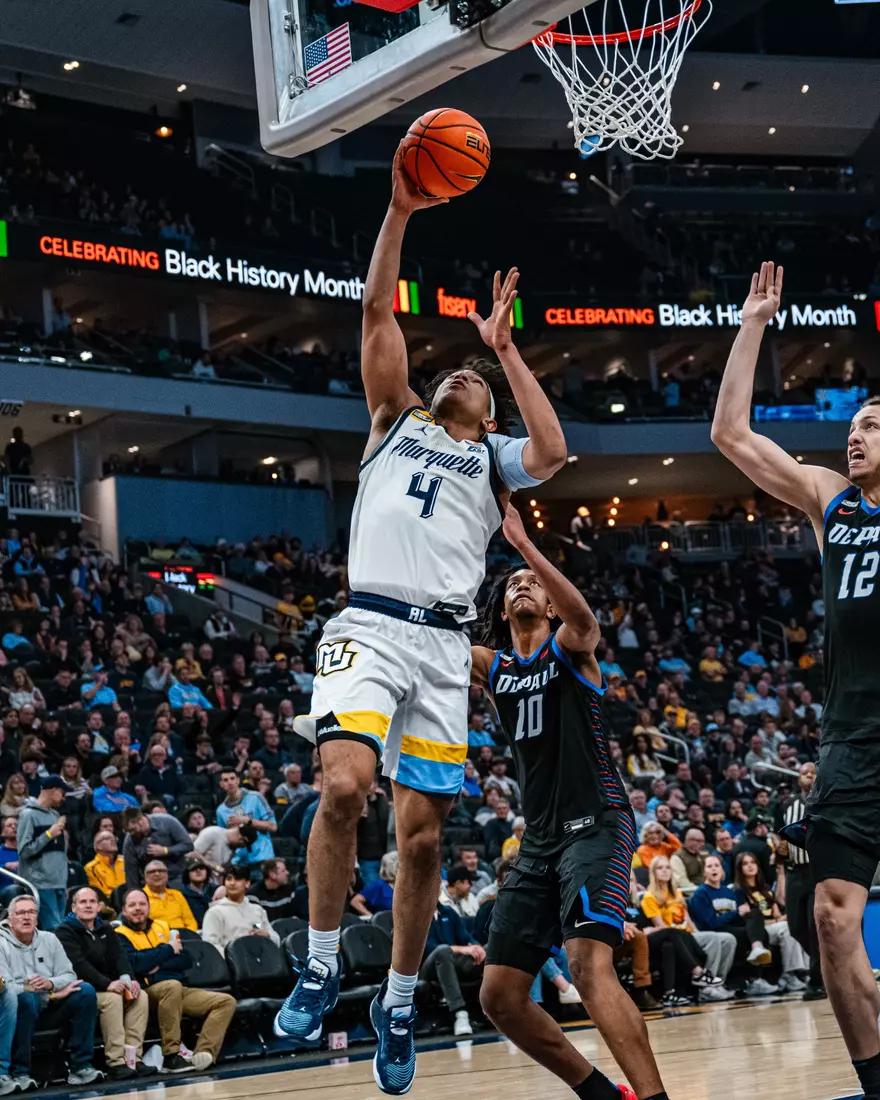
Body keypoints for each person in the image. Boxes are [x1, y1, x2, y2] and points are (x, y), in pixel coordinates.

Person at [276, 147, 566, 1097]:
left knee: (425, 841)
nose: (457, 377)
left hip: (444, 643)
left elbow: (556, 451)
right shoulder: (392, 420)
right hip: (367, 623)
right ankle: (321, 963)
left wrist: (509, 351)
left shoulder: (495, 464)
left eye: (473, 379)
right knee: (343, 788)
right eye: (453, 371)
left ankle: (398, 1000)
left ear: (487, 410)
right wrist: (400, 211)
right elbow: (374, 314)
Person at [713, 260, 880, 1097]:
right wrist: (752, 326)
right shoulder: (835, 503)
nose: (857, 434)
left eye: (876, 426)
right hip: (851, 740)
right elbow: (732, 438)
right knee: (829, 915)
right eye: (854, 424)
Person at [470, 505, 668, 1100]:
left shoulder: (569, 646)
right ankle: (601, 1095)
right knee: (499, 995)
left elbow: (584, 619)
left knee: (587, 964)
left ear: (550, 603)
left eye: (533, 583)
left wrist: (527, 549)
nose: (524, 584)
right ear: (502, 610)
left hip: (598, 825)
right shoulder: (493, 666)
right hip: (540, 839)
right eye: (513, 585)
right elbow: (426, 648)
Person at [116, 889, 236, 1073]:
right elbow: (135, 965)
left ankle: (204, 1053)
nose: (138, 908)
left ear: (149, 907)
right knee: (170, 986)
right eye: (132, 905)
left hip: (179, 988)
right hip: (145, 992)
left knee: (225, 1001)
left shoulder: (162, 927)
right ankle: (171, 1056)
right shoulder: (119, 934)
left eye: (142, 904)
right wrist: (167, 950)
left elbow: (185, 959)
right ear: (124, 910)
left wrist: (154, 963)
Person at [0, 894, 103, 1087]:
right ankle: (20, 1072)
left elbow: (69, 976)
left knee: (85, 991)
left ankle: (81, 1067)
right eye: (21, 913)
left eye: (31, 912)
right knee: (26, 999)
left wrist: (49, 983)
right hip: (20, 1010)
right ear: (10, 919)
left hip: (49, 1007)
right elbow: (6, 990)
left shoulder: (50, 939)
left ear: (37, 917)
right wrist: (50, 994)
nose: (26, 917)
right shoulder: (1, 943)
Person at [54, 886, 150, 1081]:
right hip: (82, 990)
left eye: (92, 902)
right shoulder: (64, 931)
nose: (88, 905)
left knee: (141, 996)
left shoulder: (105, 927)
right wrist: (107, 984)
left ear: (99, 907)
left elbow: (120, 957)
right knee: (112, 1000)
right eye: (83, 902)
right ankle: (115, 1062)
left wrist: (129, 979)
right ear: (73, 907)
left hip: (109, 986)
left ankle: (133, 1058)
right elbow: (78, 965)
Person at [640, 857, 735, 1003]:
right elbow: (662, 927)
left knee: (728, 939)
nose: (665, 870)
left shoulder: (676, 893)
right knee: (714, 938)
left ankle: (719, 982)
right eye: (660, 868)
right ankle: (706, 986)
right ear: (653, 872)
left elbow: (687, 919)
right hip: (677, 936)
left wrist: (696, 931)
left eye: (667, 867)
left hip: (689, 933)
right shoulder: (649, 897)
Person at [778, 761, 825, 1000]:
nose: (807, 776)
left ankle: (817, 979)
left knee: (814, 927)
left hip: (817, 871)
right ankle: (824, 966)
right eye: (803, 774)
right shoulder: (787, 804)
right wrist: (780, 874)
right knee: (795, 927)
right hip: (795, 872)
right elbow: (781, 839)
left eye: (811, 773)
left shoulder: (825, 801)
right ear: (798, 780)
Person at [734, 851, 810, 994]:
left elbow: (776, 912)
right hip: (758, 930)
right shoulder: (739, 891)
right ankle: (790, 974)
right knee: (787, 929)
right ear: (740, 869)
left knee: (798, 926)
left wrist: (780, 918)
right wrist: (777, 920)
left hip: (774, 926)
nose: (750, 866)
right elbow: (750, 920)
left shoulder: (766, 889)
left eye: (752, 862)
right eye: (745, 863)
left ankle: (805, 971)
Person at [421, 891, 486, 1038]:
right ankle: (460, 1014)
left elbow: (465, 937)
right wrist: (462, 949)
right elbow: (428, 948)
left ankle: (500, 1008)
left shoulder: (448, 912)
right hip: (426, 968)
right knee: (442, 951)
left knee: (490, 949)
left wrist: (477, 947)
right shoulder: (414, 915)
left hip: (453, 963)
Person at [16, 775, 69, 930]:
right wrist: (48, 834)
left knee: (60, 930)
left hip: (58, 884)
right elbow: (24, 851)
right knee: (54, 930)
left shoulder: (55, 815)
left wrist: (62, 882)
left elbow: (59, 854)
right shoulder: (28, 815)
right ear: (53, 791)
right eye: (62, 793)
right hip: (40, 884)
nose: (63, 798)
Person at [202, 864, 280, 953]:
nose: (232, 883)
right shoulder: (215, 912)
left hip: (260, 961)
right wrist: (236, 959)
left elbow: (276, 939)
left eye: (238, 879)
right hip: (230, 964)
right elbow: (211, 946)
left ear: (247, 883)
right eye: (229, 879)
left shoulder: (257, 910)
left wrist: (267, 935)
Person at [215, 768, 277, 869]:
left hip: (263, 859)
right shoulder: (221, 811)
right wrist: (233, 831)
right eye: (225, 780)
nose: (230, 783)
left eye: (232, 778)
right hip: (240, 863)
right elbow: (224, 841)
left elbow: (273, 826)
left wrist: (248, 821)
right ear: (221, 784)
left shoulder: (256, 797)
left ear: (238, 780)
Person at [122, 806, 193, 887]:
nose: (131, 834)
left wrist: (165, 851)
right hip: (150, 883)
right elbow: (131, 873)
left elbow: (188, 845)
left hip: (176, 877)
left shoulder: (167, 821)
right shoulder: (129, 840)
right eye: (127, 831)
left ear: (141, 821)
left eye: (132, 830)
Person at [143, 860, 199, 931]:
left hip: (183, 937)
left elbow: (190, 922)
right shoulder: (140, 896)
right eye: (152, 871)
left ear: (167, 875)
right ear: (145, 876)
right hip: (157, 938)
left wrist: (189, 936)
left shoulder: (177, 894)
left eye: (161, 871)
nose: (157, 874)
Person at [247, 858, 298, 922]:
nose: (287, 873)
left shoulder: (289, 889)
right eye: (283, 871)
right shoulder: (253, 894)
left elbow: (293, 915)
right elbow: (256, 922)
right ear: (272, 875)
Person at [85, 829, 127, 905]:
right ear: (98, 846)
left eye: (113, 838)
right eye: (107, 839)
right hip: (108, 904)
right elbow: (99, 893)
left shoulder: (126, 861)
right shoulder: (91, 868)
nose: (112, 841)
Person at [351, 851, 398, 916]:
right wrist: (372, 918)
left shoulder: (405, 887)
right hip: (384, 924)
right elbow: (355, 902)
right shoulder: (379, 885)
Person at [670, 827, 708, 893]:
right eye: (699, 841)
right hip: (690, 895)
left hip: (706, 891)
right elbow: (681, 882)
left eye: (703, 841)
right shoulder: (677, 857)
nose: (702, 844)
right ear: (689, 840)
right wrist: (699, 892)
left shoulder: (703, 854)